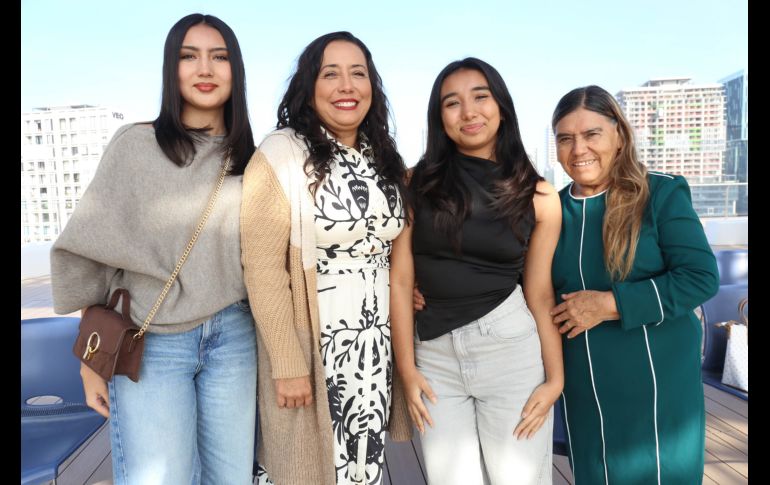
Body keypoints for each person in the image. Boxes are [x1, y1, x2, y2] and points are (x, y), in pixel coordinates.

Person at [50, 13, 257, 484]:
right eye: (189, 56)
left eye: (219, 57)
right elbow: (90, 250)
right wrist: (90, 362)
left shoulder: (252, 159)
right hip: (151, 340)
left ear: (236, 70)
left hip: (236, 337)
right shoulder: (135, 146)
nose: (205, 69)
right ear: (171, 68)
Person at [240, 31, 412, 485]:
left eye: (358, 73)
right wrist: (287, 361)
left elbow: (389, 248)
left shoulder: (382, 158)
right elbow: (261, 267)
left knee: (360, 465)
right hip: (315, 339)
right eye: (329, 74)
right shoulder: (281, 152)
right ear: (308, 87)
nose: (346, 86)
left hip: (373, 346)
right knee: (301, 467)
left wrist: (408, 293)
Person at [391, 58, 564, 485]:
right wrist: (407, 370)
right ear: (439, 119)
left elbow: (539, 294)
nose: (469, 112)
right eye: (452, 103)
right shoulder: (413, 184)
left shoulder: (539, 195)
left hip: (510, 351)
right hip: (432, 357)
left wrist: (555, 379)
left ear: (501, 106)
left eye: (480, 97)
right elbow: (399, 280)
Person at [548, 85, 720, 484]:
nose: (579, 149)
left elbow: (700, 276)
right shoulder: (550, 208)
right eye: (565, 138)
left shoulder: (660, 192)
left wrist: (611, 304)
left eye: (592, 134)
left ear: (619, 136)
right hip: (584, 389)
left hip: (657, 386)